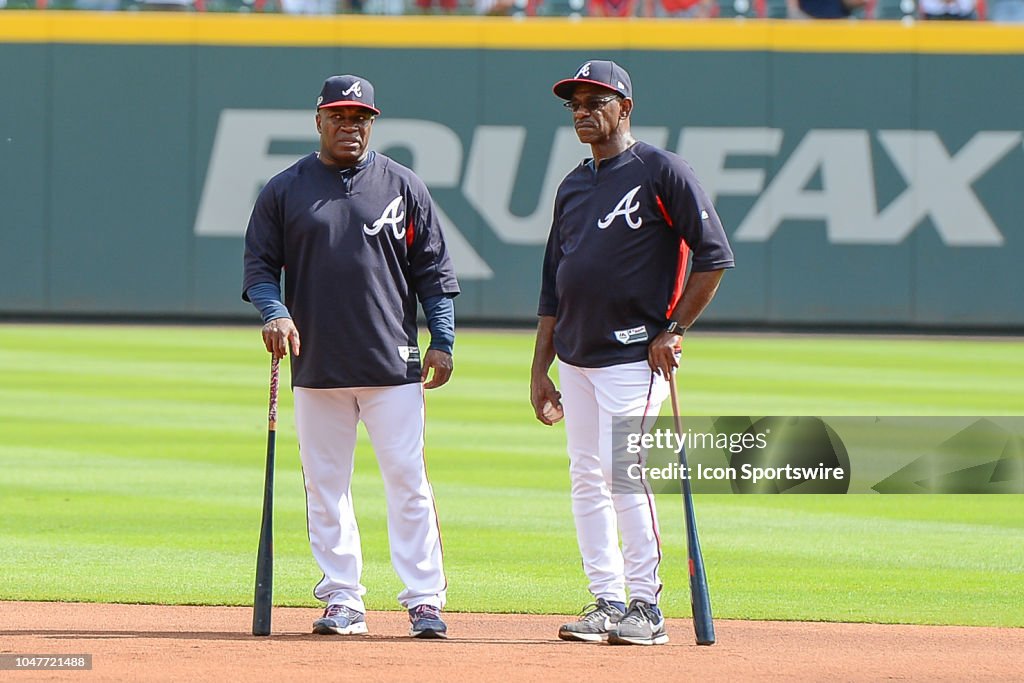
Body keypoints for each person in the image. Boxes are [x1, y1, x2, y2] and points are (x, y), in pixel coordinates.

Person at [242, 74, 460, 640]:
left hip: (393, 362)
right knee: (325, 483)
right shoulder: (285, 189)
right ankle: (343, 598)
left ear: (372, 123)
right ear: (319, 120)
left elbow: (433, 272)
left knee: (408, 480)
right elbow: (260, 271)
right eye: (339, 116)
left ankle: (424, 600)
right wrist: (273, 313)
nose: (351, 126)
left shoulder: (403, 184)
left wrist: (443, 340)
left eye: (361, 117)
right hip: (316, 363)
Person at [530, 60, 734, 646]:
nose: (583, 111)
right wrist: (540, 368)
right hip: (575, 354)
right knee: (586, 478)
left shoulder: (662, 171)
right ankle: (607, 599)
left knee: (625, 475)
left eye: (596, 100)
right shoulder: (572, 186)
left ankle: (645, 606)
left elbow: (713, 256)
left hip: (634, 359)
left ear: (625, 107)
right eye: (575, 104)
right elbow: (553, 284)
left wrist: (675, 328)